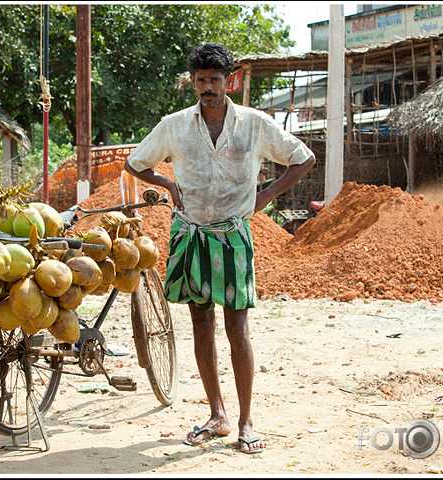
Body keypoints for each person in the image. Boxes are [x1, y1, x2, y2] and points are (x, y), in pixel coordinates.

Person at [124, 42, 315, 455]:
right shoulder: (174, 125)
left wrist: (265, 196)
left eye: (213, 79)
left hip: (233, 236)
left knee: (237, 328)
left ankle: (246, 421)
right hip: (190, 234)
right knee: (201, 325)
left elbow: (303, 158)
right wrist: (169, 184)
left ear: (229, 81)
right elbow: (135, 163)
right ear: (192, 82)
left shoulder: (254, 124)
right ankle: (218, 414)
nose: (206, 87)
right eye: (199, 80)